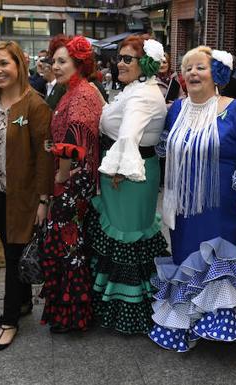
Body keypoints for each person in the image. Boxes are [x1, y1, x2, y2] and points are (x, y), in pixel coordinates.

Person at [148, 46, 236, 352]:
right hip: (184, 208)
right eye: (187, 68)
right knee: (186, 260)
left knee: (219, 262)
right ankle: (187, 323)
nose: (192, 73)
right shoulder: (176, 109)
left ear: (217, 74)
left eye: (200, 67)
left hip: (222, 207)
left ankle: (218, 324)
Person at [85, 35, 168, 334]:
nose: (120, 63)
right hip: (129, 170)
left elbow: (129, 134)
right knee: (128, 238)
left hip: (129, 174)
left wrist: (119, 169)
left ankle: (131, 313)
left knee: (128, 239)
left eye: (127, 58)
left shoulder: (142, 95)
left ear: (144, 63)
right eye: (119, 57)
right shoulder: (135, 89)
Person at [0, 41, 53, 353]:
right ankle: (22, 303)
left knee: (12, 253)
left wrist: (43, 200)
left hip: (22, 195)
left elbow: (45, 157)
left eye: (4, 64)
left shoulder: (35, 105)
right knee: (14, 249)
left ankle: (9, 321)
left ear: (18, 66)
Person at [38, 35, 103, 333]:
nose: (56, 65)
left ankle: (73, 315)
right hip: (76, 180)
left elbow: (74, 145)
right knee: (68, 246)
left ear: (79, 63)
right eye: (54, 61)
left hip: (73, 181)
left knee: (68, 247)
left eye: (63, 61)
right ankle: (69, 311)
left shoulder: (81, 94)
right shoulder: (71, 91)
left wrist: (61, 176)